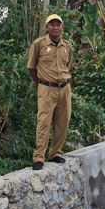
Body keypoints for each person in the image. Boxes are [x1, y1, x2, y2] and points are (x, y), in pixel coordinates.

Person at [27, 13, 73, 170]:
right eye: (52, 24)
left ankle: (55, 153)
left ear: (62, 27)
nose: (55, 27)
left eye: (58, 24)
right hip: (46, 89)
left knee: (63, 122)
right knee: (44, 122)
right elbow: (31, 67)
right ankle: (39, 156)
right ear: (47, 27)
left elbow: (69, 66)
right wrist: (40, 83)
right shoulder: (38, 44)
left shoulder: (67, 46)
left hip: (65, 89)